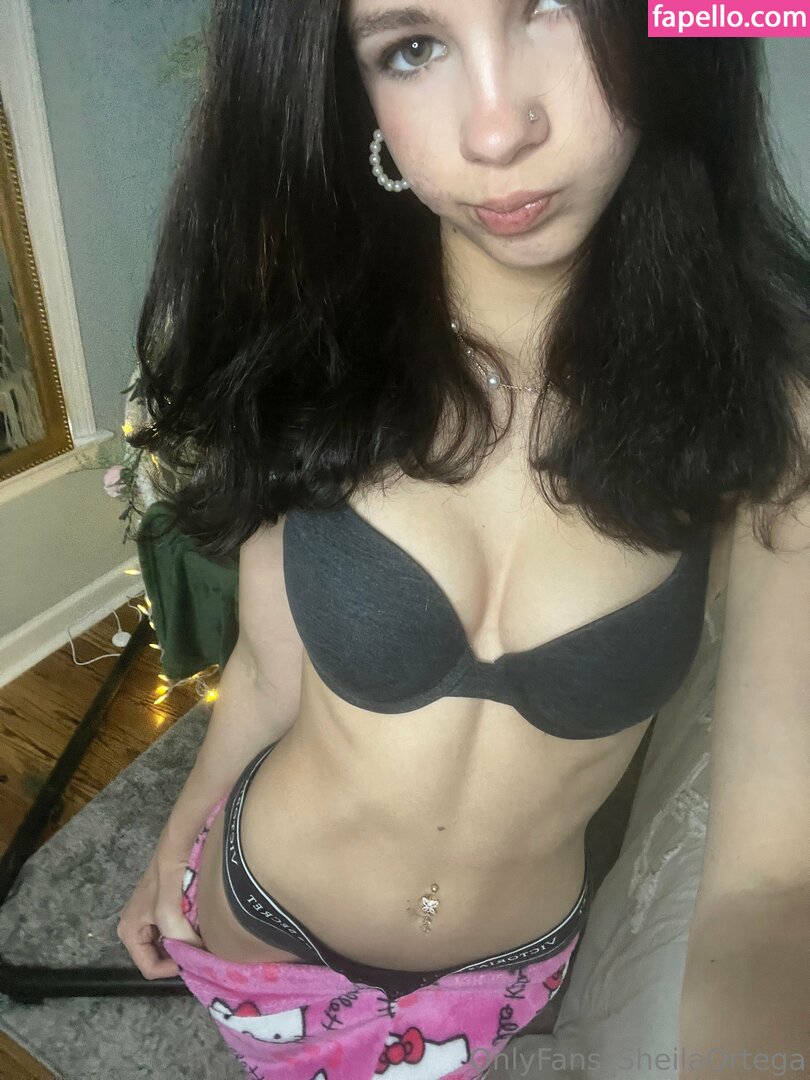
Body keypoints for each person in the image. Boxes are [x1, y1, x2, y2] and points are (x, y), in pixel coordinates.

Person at [117, 1, 810, 1078]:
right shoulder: (318, 341)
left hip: (499, 983)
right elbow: (264, 671)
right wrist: (180, 833)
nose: (497, 131)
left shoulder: (770, 416)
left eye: (552, 7)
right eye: (413, 48)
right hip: (263, 921)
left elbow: (769, 888)